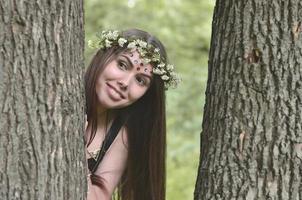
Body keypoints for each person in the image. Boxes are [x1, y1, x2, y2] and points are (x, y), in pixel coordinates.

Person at [84, 29, 179, 200]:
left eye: (140, 80)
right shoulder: (59, 93)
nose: (125, 83)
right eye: (122, 65)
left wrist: (75, 147)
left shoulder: (120, 135)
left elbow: (97, 197)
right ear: (103, 57)